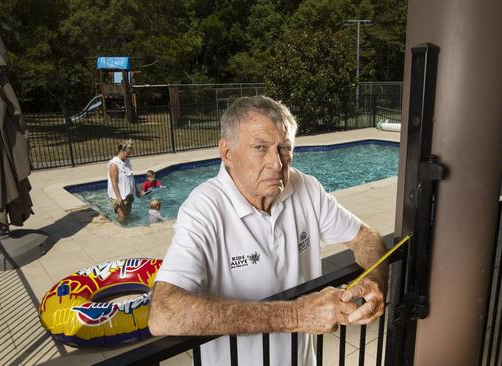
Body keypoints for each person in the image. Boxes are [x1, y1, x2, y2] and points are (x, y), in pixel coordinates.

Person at [148, 96, 387, 366]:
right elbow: (164, 313)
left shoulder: (305, 187)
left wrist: (374, 282)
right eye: (261, 147)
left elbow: (366, 237)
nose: (277, 163)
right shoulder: (203, 209)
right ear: (227, 153)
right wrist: (296, 316)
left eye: (284, 148)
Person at [107, 140, 140, 222]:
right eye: (128, 153)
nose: (129, 156)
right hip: (119, 196)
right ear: (122, 151)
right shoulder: (114, 164)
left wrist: (136, 189)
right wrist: (118, 197)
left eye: (130, 154)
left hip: (128, 194)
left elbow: (131, 177)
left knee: (128, 216)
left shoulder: (127, 161)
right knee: (122, 217)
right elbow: (113, 182)